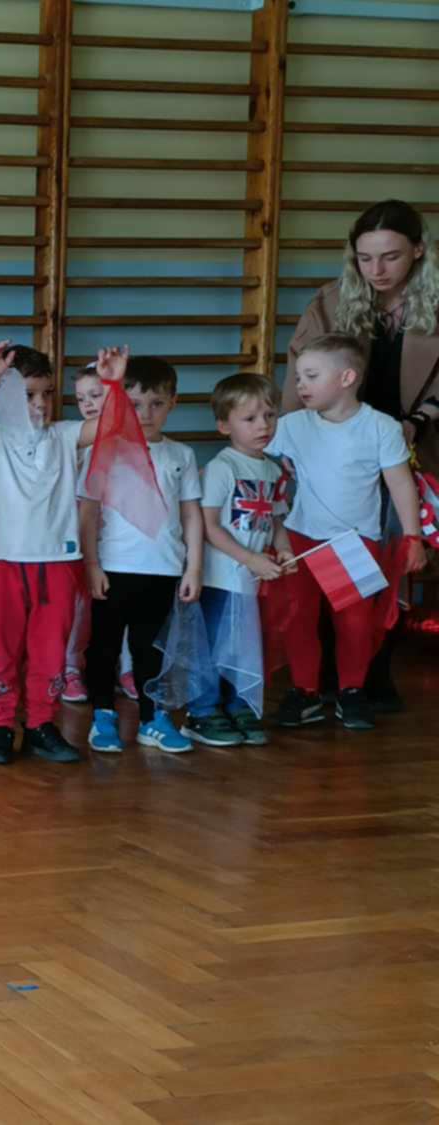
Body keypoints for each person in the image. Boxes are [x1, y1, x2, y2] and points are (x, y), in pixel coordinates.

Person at [284, 200, 438, 711]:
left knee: (391, 560)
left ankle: (374, 670)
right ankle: (331, 673)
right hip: (337, 449)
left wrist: (419, 421)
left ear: (419, 251)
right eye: (365, 258)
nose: (377, 270)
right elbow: (301, 379)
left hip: (416, 446)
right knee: (332, 555)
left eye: (391, 257)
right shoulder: (330, 302)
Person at [271, 334, 427, 729]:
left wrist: (412, 537)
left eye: (311, 376)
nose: (300, 385)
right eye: (299, 377)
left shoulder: (380, 427)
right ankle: (305, 691)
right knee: (299, 617)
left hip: (352, 542)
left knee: (354, 622)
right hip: (300, 538)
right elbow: (252, 453)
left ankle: (352, 691)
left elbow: (401, 484)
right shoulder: (291, 426)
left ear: (346, 378)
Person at [0, 344, 88, 765]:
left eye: (47, 393)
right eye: (29, 394)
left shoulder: (65, 435)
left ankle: (41, 725)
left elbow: (109, 427)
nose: (41, 404)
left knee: (50, 649)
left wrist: (114, 384)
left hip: (57, 561)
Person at [80, 354, 202, 754]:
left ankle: (153, 719)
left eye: (156, 403)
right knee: (104, 647)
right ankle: (102, 716)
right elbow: (88, 511)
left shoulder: (182, 455)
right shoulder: (105, 449)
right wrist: (92, 564)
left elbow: (191, 513)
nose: (146, 413)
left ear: (173, 403)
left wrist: (193, 567)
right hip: (114, 567)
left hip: (163, 568)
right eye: (135, 404)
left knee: (151, 649)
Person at [185, 373, 292, 747]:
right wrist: (250, 558)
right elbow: (209, 526)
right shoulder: (222, 467)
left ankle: (238, 704)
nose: (263, 425)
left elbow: (275, 521)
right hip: (220, 577)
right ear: (223, 425)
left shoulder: (274, 470)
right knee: (213, 645)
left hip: (251, 577)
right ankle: (202, 711)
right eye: (250, 419)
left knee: (244, 644)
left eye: (270, 416)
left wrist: (284, 550)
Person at [60, 364, 111, 703]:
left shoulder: (135, 443)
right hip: (82, 533)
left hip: (121, 538)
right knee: (78, 605)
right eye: (81, 399)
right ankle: (70, 667)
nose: (88, 404)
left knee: (118, 603)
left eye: (96, 395)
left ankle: (124, 667)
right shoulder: (76, 444)